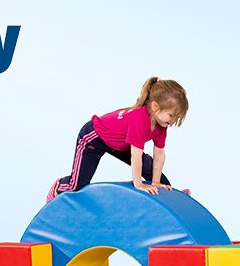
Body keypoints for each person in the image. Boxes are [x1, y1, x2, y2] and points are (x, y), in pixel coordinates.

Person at [47, 76, 188, 202]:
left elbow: (159, 154)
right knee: (77, 186)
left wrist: (156, 182)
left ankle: (173, 198)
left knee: (151, 170)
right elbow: (135, 156)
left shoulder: (161, 125)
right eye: (171, 115)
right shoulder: (139, 120)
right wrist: (138, 184)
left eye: (176, 118)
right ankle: (59, 187)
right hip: (94, 138)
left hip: (121, 143)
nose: (172, 121)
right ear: (155, 106)